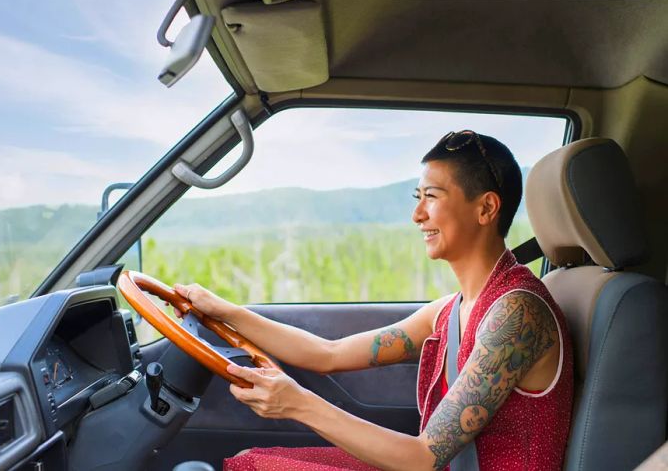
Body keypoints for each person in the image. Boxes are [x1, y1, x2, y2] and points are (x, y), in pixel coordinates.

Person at [173, 130, 573, 471]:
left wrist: (298, 405)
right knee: (253, 458)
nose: (417, 214)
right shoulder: (452, 310)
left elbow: (423, 456)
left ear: (486, 207)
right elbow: (327, 354)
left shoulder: (516, 312)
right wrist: (224, 311)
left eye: (431, 196)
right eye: (418, 196)